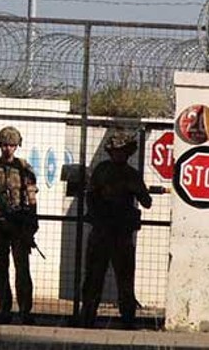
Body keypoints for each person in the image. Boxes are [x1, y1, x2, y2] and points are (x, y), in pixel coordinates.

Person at [80, 130, 152, 329]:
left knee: (125, 280)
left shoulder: (131, 175)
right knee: (93, 278)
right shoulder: (102, 170)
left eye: (122, 151)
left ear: (128, 152)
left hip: (121, 234)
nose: (118, 154)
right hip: (102, 233)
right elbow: (91, 197)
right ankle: (87, 318)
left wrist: (135, 189)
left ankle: (127, 320)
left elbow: (146, 202)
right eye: (115, 151)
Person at [0, 126, 39, 325]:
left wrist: (31, 221)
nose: (8, 149)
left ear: (17, 146)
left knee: (22, 268)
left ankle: (25, 311)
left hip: (20, 224)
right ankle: (4, 309)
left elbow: (31, 197)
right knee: (1, 267)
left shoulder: (25, 168)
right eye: (5, 145)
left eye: (12, 145)